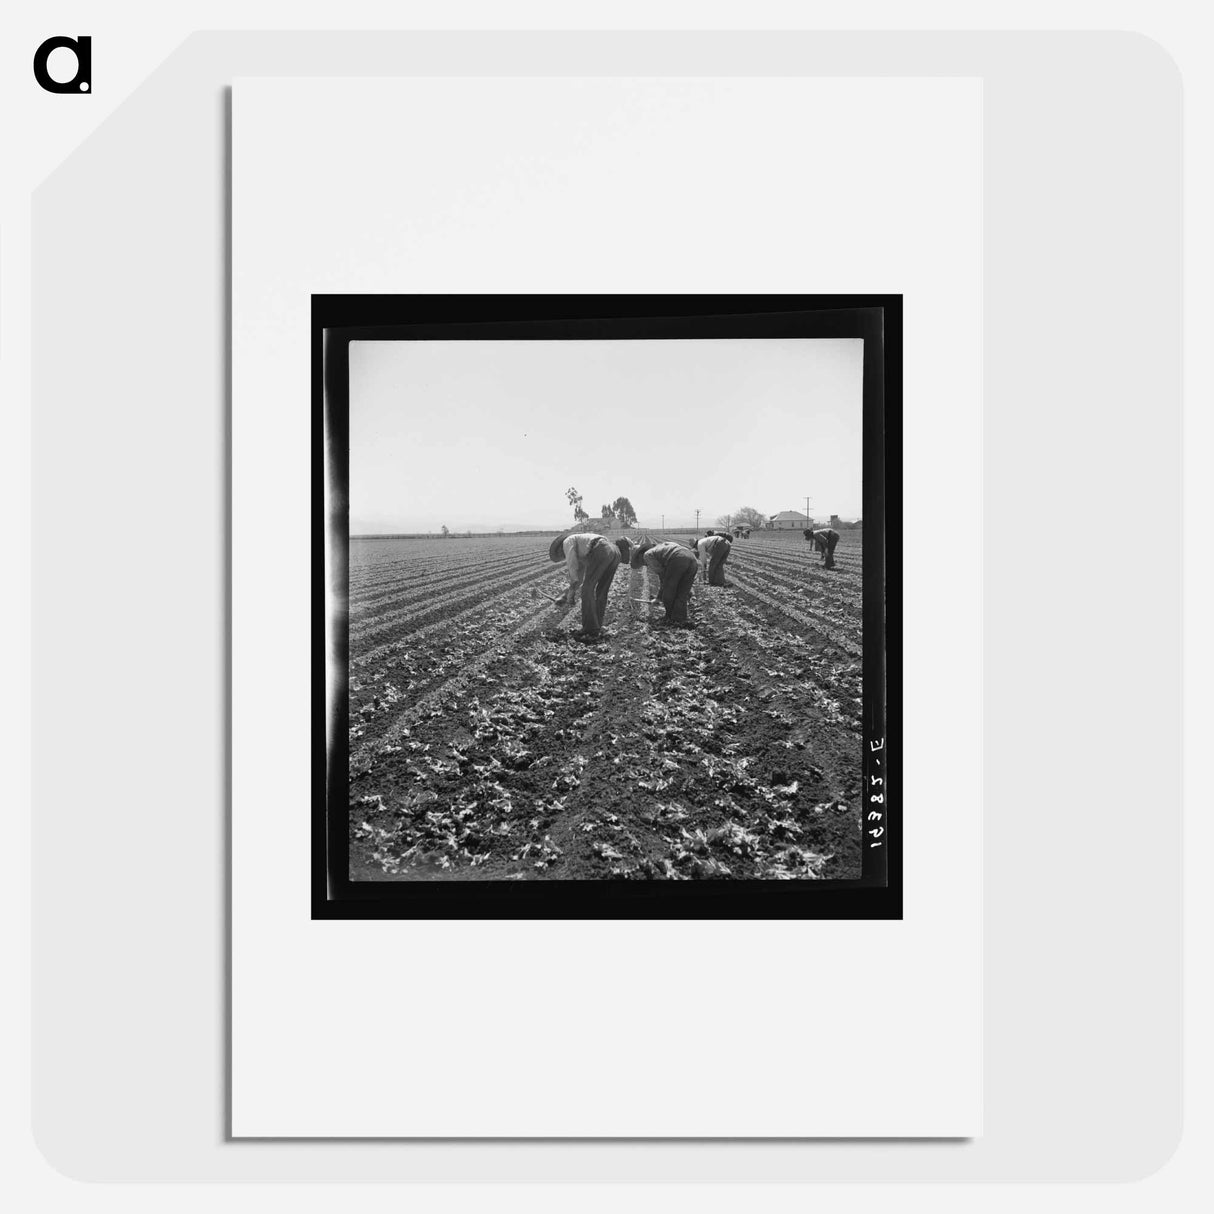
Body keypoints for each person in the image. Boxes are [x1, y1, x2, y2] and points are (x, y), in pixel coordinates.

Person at [547, 531, 630, 640]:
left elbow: (573, 567)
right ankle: (597, 626)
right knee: (602, 591)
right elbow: (579, 577)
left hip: (601, 550)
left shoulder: (567, 542)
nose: (563, 557)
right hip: (614, 552)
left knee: (587, 589)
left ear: (560, 549)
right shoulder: (581, 544)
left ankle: (590, 629)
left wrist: (571, 594)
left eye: (561, 555)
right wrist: (566, 594)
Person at [632, 539, 698, 628]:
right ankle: (680, 618)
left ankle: (669, 617)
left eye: (639, 560)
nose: (644, 565)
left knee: (669, 590)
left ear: (640, 555)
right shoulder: (661, 547)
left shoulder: (647, 555)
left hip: (677, 558)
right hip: (692, 558)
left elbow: (663, 576)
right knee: (682, 592)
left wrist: (659, 597)